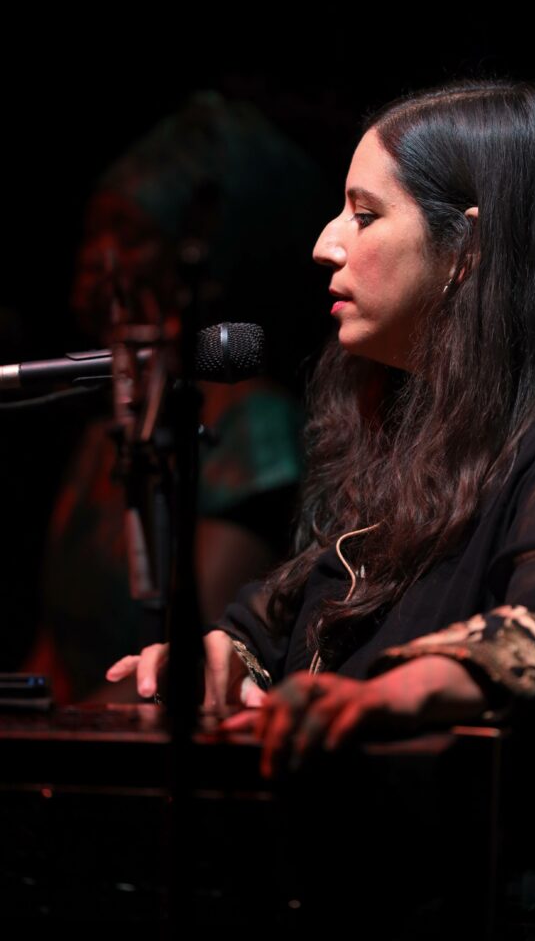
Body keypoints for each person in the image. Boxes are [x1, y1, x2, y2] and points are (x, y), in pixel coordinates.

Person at [106, 77, 535, 938]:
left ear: (468, 248)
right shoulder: (407, 433)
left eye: (364, 215)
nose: (323, 244)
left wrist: (392, 692)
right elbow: (275, 622)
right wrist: (223, 656)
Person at [26, 90, 333, 702]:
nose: (100, 261)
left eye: (129, 234)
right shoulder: (104, 433)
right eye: (94, 231)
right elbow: (55, 651)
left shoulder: (250, 425)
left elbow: (204, 649)